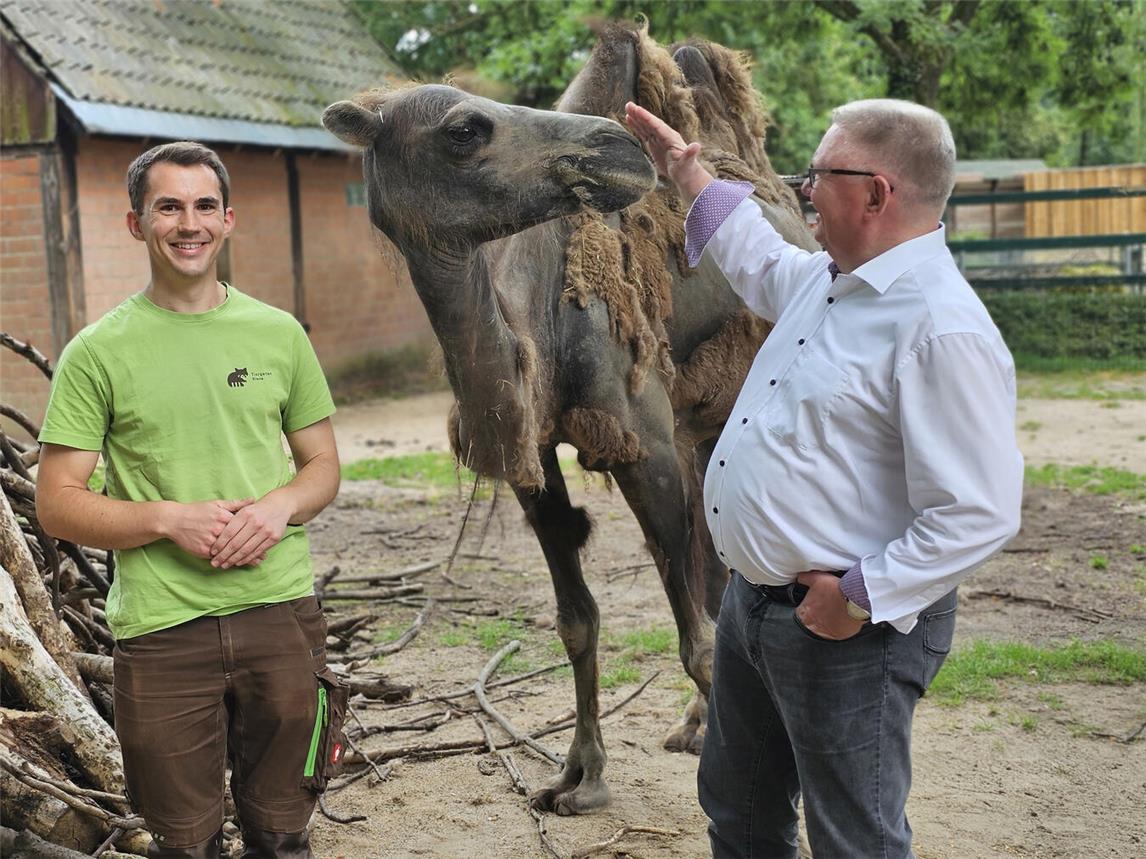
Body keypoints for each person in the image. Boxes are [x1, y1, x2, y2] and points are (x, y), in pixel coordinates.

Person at [625, 99, 1023, 858]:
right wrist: (687, 174)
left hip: (845, 626)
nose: (803, 188)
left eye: (818, 174)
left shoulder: (941, 328)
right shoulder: (830, 280)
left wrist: (858, 597)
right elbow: (756, 258)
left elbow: (980, 510)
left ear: (876, 193)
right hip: (756, 607)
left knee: (853, 838)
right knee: (738, 808)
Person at [37, 141, 342, 859]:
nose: (189, 222)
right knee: (183, 844)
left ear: (228, 219)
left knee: (283, 833)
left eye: (204, 205)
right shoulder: (97, 352)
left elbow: (322, 464)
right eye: (168, 206)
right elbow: (55, 502)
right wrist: (165, 518)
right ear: (136, 224)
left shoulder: (277, 334)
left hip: (280, 615)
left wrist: (278, 508)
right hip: (164, 630)